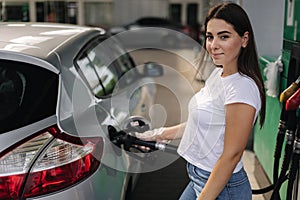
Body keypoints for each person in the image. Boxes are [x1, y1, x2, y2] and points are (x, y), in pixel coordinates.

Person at [136, 2, 266, 200]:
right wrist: (158, 134)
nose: (213, 45)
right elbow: (201, 124)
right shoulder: (219, 74)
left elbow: (232, 154)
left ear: (244, 39)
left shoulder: (241, 88)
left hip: (223, 187)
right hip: (199, 176)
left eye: (224, 36)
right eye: (209, 36)